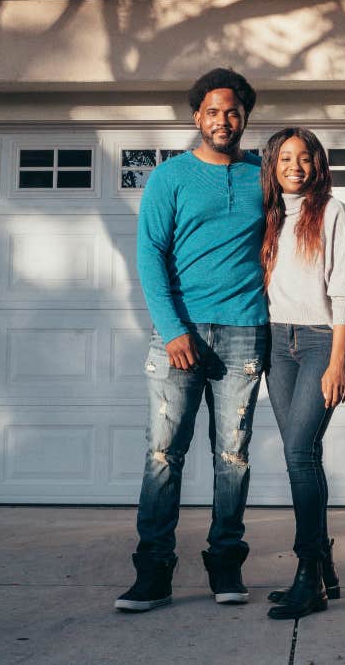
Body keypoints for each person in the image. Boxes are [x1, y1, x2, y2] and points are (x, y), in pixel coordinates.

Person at [115, 68, 268, 613]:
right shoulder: (170, 177)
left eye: (232, 111)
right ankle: (153, 571)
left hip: (245, 331)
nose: (222, 120)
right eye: (212, 111)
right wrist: (175, 330)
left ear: (245, 116)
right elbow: (149, 256)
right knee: (163, 456)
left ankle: (225, 562)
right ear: (196, 116)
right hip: (178, 334)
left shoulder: (264, 175)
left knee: (233, 456)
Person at [260, 127, 345, 620]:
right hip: (278, 343)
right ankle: (325, 567)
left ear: (317, 164)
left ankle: (309, 576)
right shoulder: (270, 216)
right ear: (272, 166)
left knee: (299, 455)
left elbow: (344, 291)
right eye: (284, 158)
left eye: (303, 157)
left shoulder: (333, 212)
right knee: (303, 454)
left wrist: (339, 361)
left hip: (322, 341)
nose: (294, 166)